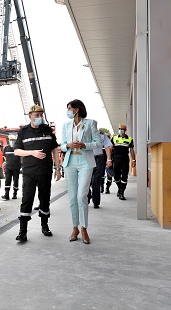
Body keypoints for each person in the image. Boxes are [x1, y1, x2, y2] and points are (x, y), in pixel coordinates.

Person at [14, 105, 61, 242]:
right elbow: (17, 151)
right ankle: (23, 231)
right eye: (37, 115)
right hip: (29, 172)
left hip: (45, 171)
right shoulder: (23, 132)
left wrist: (57, 169)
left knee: (45, 199)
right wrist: (32, 153)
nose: (40, 117)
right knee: (27, 200)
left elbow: (54, 151)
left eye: (41, 115)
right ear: (30, 116)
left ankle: (44, 225)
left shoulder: (47, 130)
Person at [61, 99, 102, 244]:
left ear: (77, 109)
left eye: (69, 108)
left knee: (81, 196)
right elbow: (62, 145)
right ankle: (75, 228)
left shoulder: (91, 123)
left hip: (85, 162)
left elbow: (99, 143)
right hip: (70, 162)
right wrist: (68, 145)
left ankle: (84, 228)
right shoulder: (66, 125)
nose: (68, 111)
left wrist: (85, 144)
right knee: (72, 198)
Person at [87, 129, 113, 208]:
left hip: (99, 159)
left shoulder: (102, 135)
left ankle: (96, 202)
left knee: (96, 181)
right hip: (87, 158)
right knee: (87, 180)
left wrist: (109, 159)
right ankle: (87, 196)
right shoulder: (85, 134)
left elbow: (107, 147)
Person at [111, 124, 136, 200]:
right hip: (116, 158)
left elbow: (132, 150)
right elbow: (110, 148)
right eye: (119, 128)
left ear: (125, 130)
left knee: (124, 175)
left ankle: (121, 192)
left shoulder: (129, 139)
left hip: (125, 158)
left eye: (122, 129)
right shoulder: (114, 138)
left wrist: (134, 160)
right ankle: (120, 188)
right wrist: (109, 159)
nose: (120, 130)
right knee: (116, 176)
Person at [1, 134, 21, 200]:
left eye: (13, 140)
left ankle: (14, 194)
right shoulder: (6, 148)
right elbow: (4, 157)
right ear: (9, 140)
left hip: (16, 167)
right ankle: (6, 195)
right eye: (11, 140)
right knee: (7, 181)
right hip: (8, 167)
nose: (12, 141)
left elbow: (22, 157)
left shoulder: (18, 148)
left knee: (15, 181)